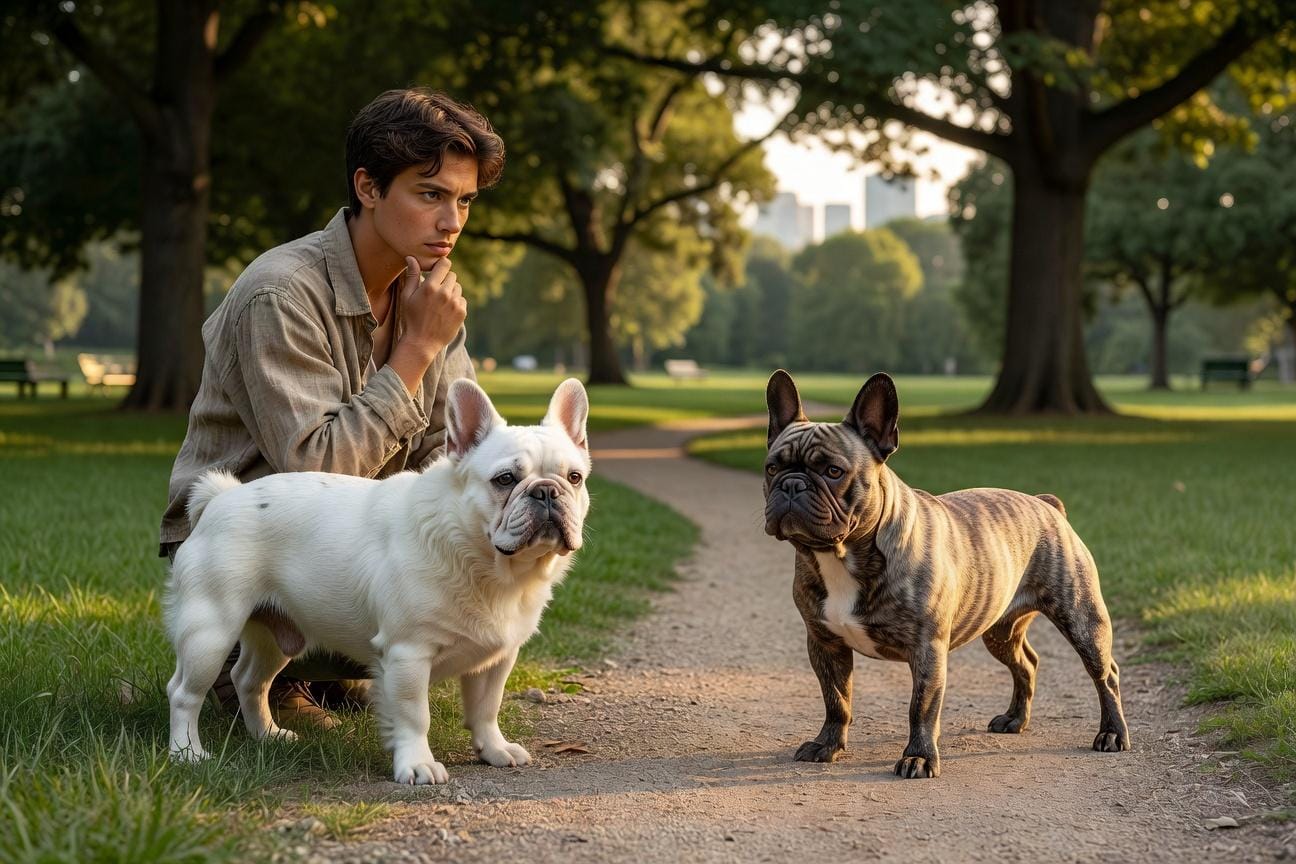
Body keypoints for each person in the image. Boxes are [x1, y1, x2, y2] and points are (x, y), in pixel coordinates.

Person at [159, 88, 505, 726]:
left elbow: (447, 454)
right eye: (430, 194)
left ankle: (331, 669)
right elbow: (312, 464)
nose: (453, 221)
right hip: (257, 550)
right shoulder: (280, 292)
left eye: (464, 200)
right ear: (369, 187)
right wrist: (416, 351)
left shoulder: (428, 295)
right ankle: (251, 681)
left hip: (362, 552)